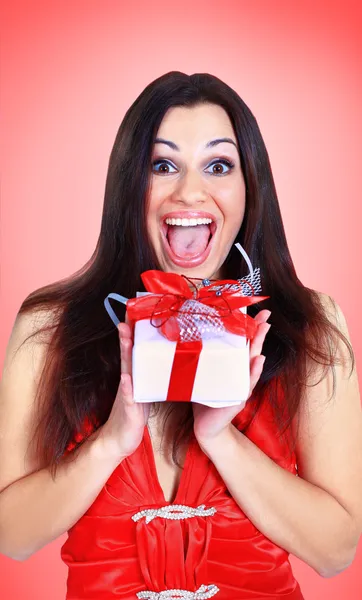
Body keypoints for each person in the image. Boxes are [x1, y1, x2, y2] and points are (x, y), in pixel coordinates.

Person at [0, 71, 361, 600]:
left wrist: (220, 438)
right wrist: (111, 441)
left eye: (218, 165)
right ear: (129, 185)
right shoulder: (49, 326)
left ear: (249, 187)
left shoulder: (312, 326)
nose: (190, 190)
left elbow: (336, 553)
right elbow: (11, 536)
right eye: (163, 165)